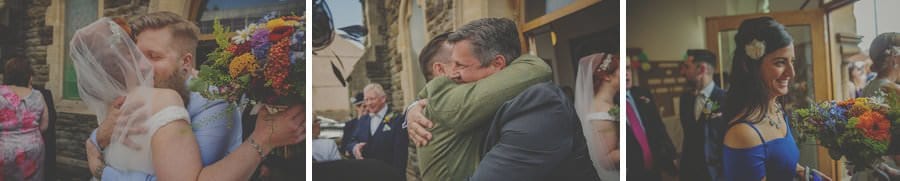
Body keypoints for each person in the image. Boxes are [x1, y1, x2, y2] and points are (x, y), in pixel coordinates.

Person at [75, 17, 303, 180]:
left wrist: (103, 171)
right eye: (136, 56)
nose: (141, 66)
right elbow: (110, 140)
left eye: (154, 56)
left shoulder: (214, 103)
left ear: (185, 63)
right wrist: (97, 137)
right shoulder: (139, 93)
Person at [406, 18, 597, 180]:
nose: (454, 74)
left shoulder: (540, 103)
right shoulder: (457, 99)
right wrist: (413, 108)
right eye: (452, 64)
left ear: (498, 63)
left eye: (461, 65)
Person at [719, 17, 829, 181]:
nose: (791, 73)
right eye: (780, 63)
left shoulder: (776, 107)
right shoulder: (743, 134)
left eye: (792, 61)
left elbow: (779, 163)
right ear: (749, 67)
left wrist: (802, 172)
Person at [403, 31, 453, 181]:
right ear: (440, 69)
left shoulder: (419, 109)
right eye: (459, 62)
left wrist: (412, 107)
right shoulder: (440, 109)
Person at [625, 57, 677, 181]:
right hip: (631, 171)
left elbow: (659, 126)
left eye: (628, 68)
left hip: (654, 165)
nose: (626, 73)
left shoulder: (643, 93)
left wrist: (671, 154)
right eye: (621, 70)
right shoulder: (609, 103)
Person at [677, 49, 725, 181]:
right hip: (690, 173)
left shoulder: (724, 99)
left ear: (701, 69)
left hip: (716, 174)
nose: (683, 72)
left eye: (687, 67)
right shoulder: (685, 99)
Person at [0, 56, 50, 181]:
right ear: (28, 75)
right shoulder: (38, 95)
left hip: (4, 149)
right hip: (33, 149)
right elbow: (44, 126)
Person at [859, 32, 900, 180]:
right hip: (888, 173)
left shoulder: (869, 87)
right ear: (894, 59)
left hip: (871, 170)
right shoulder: (893, 91)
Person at [573, 53, 620, 180]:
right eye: (621, 69)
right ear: (606, 76)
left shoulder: (610, 104)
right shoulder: (602, 112)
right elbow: (605, 159)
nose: (625, 74)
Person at [346, 83, 407, 170]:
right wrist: (355, 147)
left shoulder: (397, 119)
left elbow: (401, 156)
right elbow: (351, 142)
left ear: (383, 98)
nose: (369, 103)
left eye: (372, 99)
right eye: (366, 100)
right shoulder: (363, 120)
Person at [341, 92, 365, 156]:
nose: (367, 109)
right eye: (364, 106)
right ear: (357, 107)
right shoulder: (349, 125)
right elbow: (344, 147)